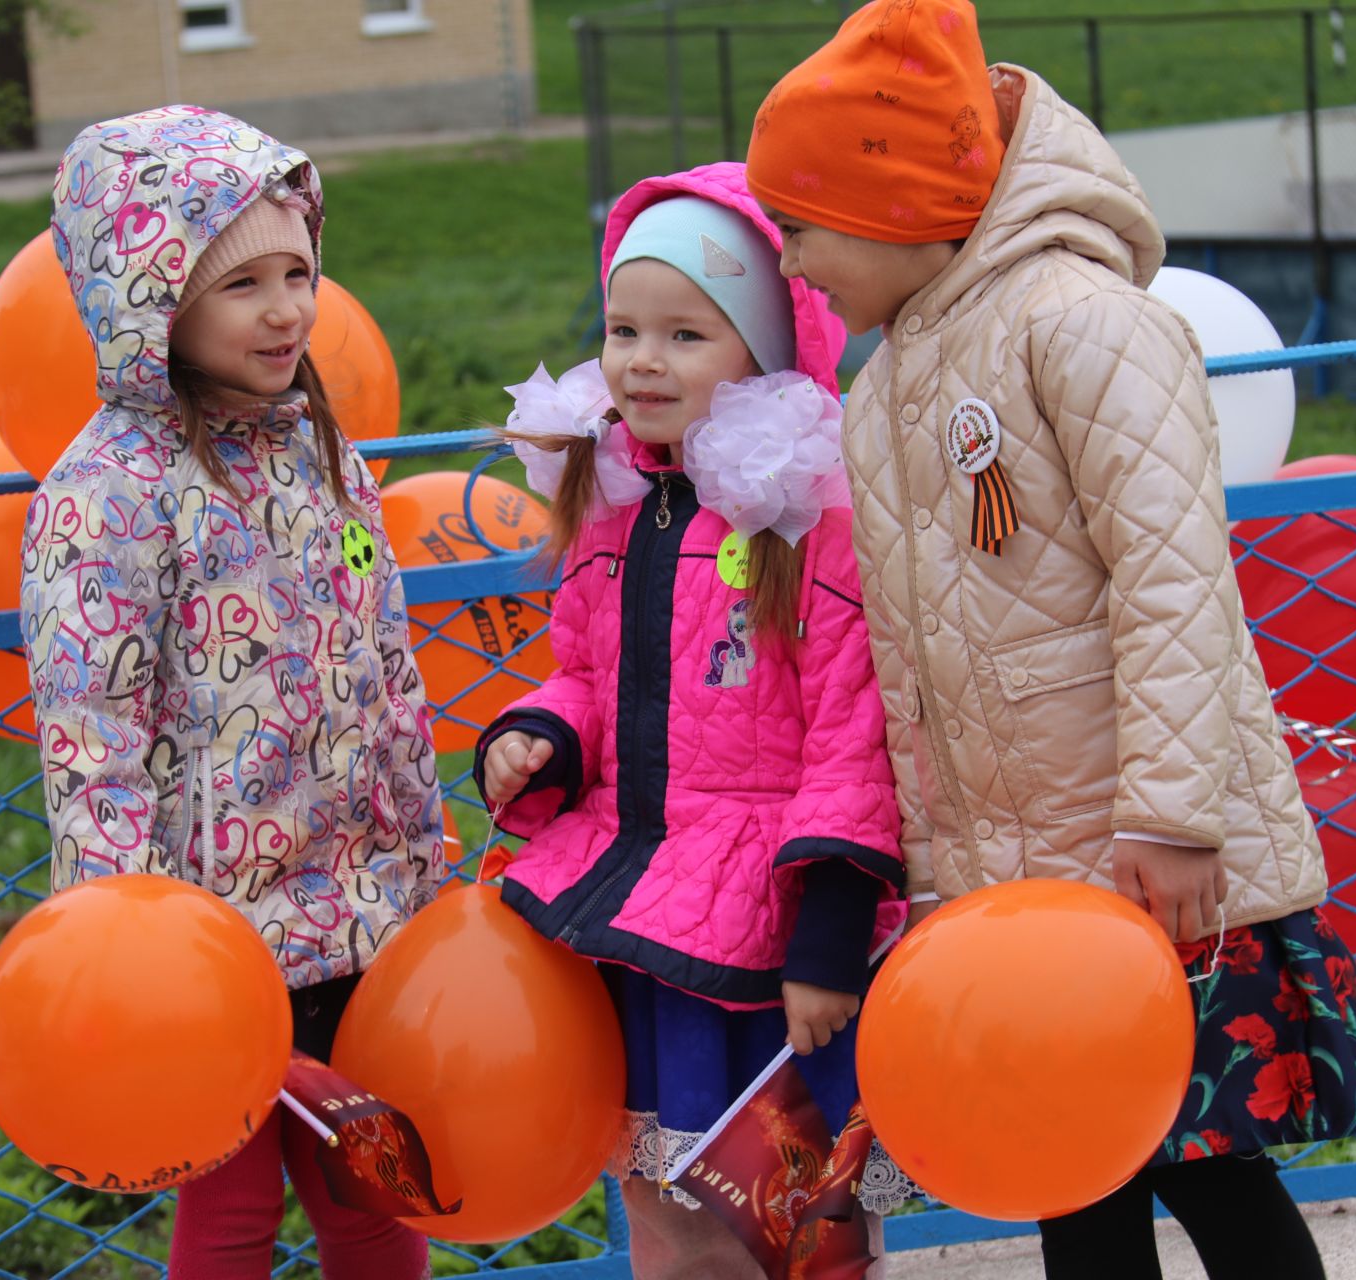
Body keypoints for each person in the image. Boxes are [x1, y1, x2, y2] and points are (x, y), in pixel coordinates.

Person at [745, 4, 1356, 1278]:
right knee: (1073, 1168)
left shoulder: (1082, 320)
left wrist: (1171, 811)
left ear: (898, 204)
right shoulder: (885, 383)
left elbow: (1174, 579)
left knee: (1214, 1170)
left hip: (1154, 862)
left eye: (804, 225)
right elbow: (920, 660)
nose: (793, 264)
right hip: (1017, 886)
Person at [21, 106, 441, 1279]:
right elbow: (91, 738)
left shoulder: (320, 449)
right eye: (240, 284)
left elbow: (387, 667)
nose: (287, 309)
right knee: (231, 1205)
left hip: (352, 912)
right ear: (153, 305)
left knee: (372, 1190)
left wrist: (420, 855)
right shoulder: (105, 493)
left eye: (299, 271)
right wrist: (116, 945)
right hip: (202, 946)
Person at [475, 162, 915, 1278]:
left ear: (765, 351)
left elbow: (850, 739)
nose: (641, 361)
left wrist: (828, 935)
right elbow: (584, 670)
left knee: (794, 1221)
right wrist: (544, 735)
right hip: (641, 917)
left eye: (685, 334)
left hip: (767, 939)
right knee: (663, 1207)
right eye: (624, 328)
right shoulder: (618, 509)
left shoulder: (809, 519)